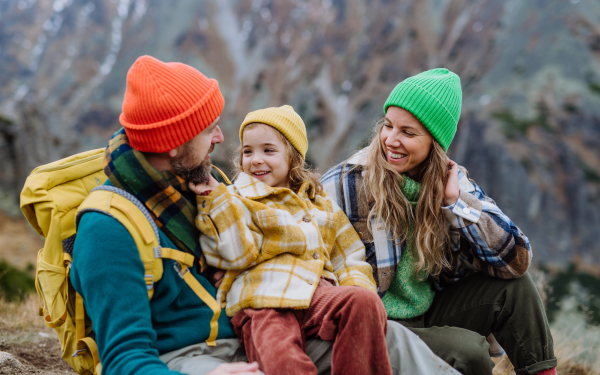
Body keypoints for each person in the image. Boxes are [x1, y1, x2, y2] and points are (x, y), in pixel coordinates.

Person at [71, 56, 460, 375]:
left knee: (391, 338)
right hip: (195, 359)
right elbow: (124, 361)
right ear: (174, 143)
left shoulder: (200, 184)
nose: (221, 139)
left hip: (263, 330)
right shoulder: (108, 228)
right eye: (209, 129)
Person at [321, 68, 558, 375]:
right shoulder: (345, 182)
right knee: (469, 353)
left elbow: (516, 260)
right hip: (376, 324)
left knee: (517, 287)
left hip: (428, 313)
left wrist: (454, 204)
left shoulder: (451, 182)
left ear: (435, 143)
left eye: (408, 133)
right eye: (388, 126)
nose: (390, 140)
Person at [189, 105, 391, 375]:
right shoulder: (233, 198)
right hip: (262, 300)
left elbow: (350, 256)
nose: (256, 159)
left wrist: (354, 288)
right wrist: (217, 202)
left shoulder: (320, 204)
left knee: (365, 302)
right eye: (248, 151)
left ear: (293, 156)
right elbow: (235, 254)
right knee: (284, 362)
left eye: (268, 150)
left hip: (316, 291)